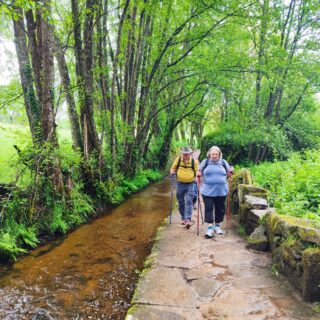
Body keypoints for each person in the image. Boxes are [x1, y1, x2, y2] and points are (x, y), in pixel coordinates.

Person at [197, 146, 233, 238]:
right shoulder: (205, 162)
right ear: (209, 154)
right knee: (209, 208)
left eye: (216, 154)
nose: (214, 156)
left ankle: (217, 226)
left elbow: (228, 174)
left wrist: (231, 172)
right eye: (212, 154)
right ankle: (209, 228)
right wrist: (198, 174)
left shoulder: (223, 162)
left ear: (219, 154)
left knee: (220, 209)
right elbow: (199, 172)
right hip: (207, 190)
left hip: (221, 190)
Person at [170, 147, 199, 228]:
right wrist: (172, 172)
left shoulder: (194, 162)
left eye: (187, 154)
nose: (185, 155)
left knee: (189, 201)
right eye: (184, 154)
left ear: (190, 154)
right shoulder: (178, 160)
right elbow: (173, 168)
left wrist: (197, 176)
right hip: (180, 184)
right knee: (181, 202)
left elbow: (197, 171)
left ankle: (188, 220)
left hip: (191, 184)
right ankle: (183, 218)